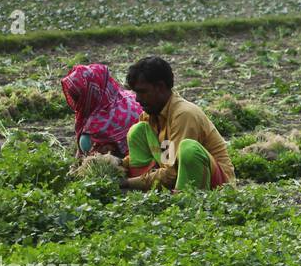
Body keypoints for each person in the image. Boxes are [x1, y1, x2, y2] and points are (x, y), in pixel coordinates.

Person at [120, 57, 234, 192]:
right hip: (175, 172)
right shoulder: (152, 113)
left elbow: (172, 173)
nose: (138, 99)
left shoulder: (184, 114)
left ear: (160, 87)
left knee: (188, 148)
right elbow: (168, 154)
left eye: (142, 92)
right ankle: (143, 189)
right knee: (138, 130)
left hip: (217, 185)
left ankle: (184, 199)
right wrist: (119, 164)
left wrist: (126, 183)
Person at [61, 63, 142, 158]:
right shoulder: (128, 97)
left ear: (90, 94)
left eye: (78, 97)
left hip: (136, 156)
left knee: (85, 142)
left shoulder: (97, 124)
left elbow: (85, 151)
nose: (76, 101)